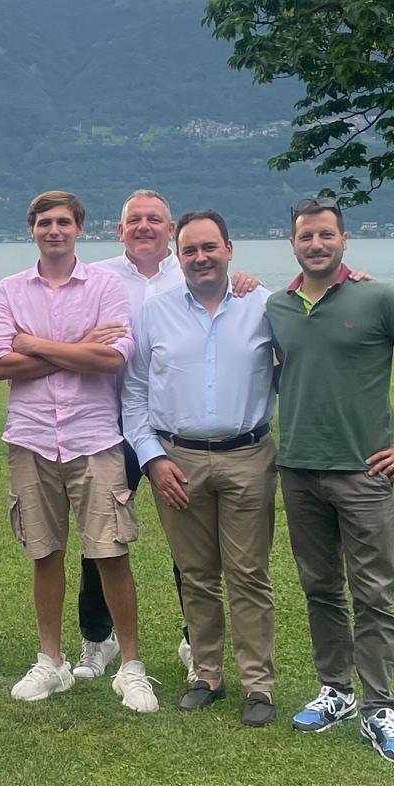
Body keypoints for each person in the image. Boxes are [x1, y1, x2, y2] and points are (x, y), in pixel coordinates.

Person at [268, 197, 394, 763]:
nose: (316, 244)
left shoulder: (380, 297)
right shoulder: (277, 305)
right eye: (306, 236)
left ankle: (379, 705)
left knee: (372, 593)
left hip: (364, 473)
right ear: (293, 243)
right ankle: (336, 691)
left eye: (326, 234)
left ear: (343, 240)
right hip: (299, 470)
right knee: (320, 588)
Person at [0, 190, 158, 713]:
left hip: (95, 438)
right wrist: (82, 346)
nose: (54, 230)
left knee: (110, 553)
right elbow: (0, 364)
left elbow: (112, 358)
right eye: (44, 222)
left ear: (79, 227)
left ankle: (131, 668)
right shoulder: (8, 290)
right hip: (31, 438)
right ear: (32, 229)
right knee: (44, 554)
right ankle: (51, 661)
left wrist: (34, 344)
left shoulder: (105, 286)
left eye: (63, 221)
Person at [82, 191, 258, 683]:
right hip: (105, 423)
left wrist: (248, 281)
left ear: (171, 230)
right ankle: (97, 637)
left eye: (154, 219)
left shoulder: (192, 272)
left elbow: (239, 305)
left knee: (192, 545)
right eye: (134, 219)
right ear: (119, 230)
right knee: (102, 538)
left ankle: (193, 640)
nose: (144, 226)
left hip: (172, 428)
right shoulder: (95, 278)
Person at [121, 210, 279, 726]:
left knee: (249, 575)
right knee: (197, 575)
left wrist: (352, 277)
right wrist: (152, 459)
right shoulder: (155, 313)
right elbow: (135, 393)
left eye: (210, 247)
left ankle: (258, 684)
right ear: (178, 256)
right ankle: (206, 676)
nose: (200, 257)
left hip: (248, 455)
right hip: (178, 459)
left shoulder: (263, 304)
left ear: (229, 249)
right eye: (190, 250)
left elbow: (312, 319)